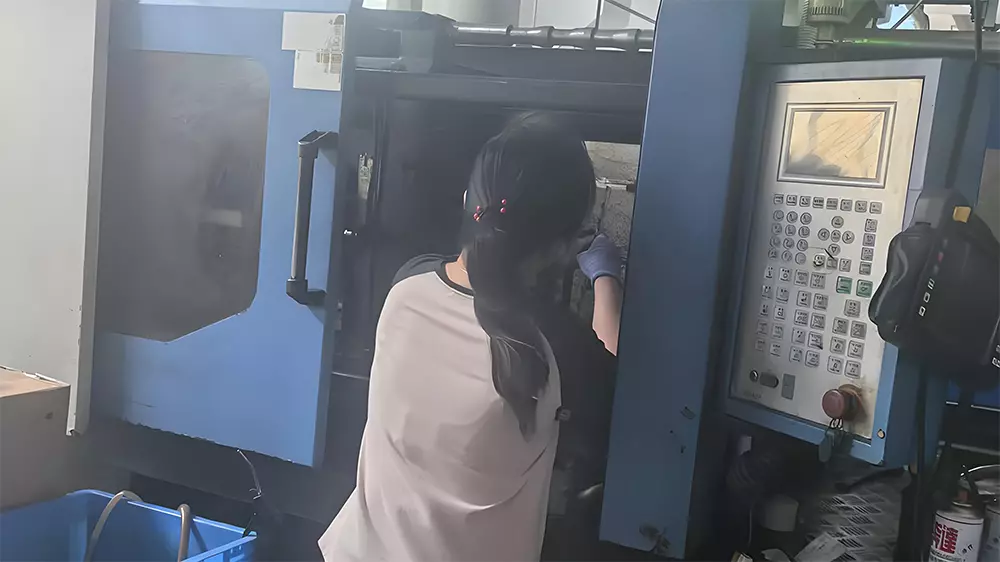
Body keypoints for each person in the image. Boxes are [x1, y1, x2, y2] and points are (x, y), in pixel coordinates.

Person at [318, 113, 625, 562]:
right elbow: (618, 390)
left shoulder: (406, 285)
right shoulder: (554, 346)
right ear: (565, 245)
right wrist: (605, 278)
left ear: (468, 200)